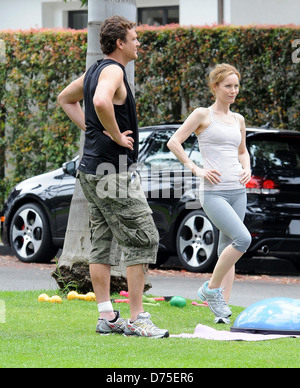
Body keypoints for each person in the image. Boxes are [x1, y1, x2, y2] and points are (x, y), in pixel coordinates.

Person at [58, 15, 169, 338]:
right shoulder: (113, 70)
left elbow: (65, 98)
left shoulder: (94, 69)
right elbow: (100, 100)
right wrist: (117, 135)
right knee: (143, 238)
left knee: (103, 243)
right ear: (120, 43)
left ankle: (107, 316)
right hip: (111, 172)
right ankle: (137, 317)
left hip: (91, 171)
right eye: (134, 39)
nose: (138, 43)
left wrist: (93, 130)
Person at [167, 63, 252, 323]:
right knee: (243, 239)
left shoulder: (238, 119)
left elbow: (241, 151)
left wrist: (247, 168)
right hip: (214, 193)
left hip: (238, 191)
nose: (233, 90)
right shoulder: (203, 115)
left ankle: (221, 313)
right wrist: (195, 168)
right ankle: (210, 289)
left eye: (236, 86)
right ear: (215, 87)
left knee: (228, 248)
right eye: (228, 86)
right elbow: (174, 142)